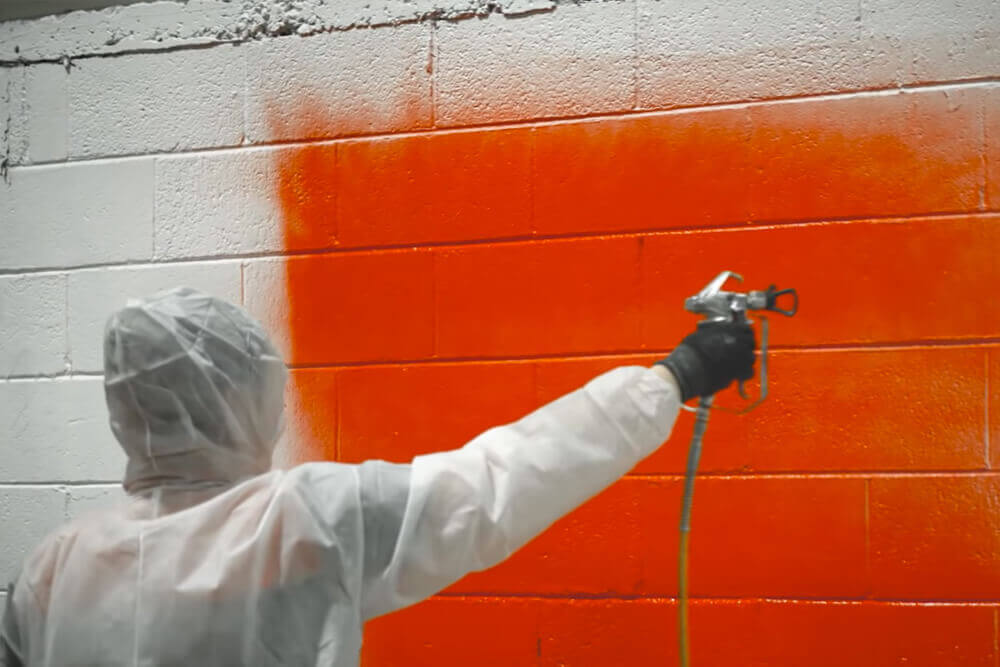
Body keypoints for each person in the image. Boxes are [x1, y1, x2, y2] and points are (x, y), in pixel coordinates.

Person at [0, 286, 755, 666]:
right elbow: (495, 484)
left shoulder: (51, 567)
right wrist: (674, 376)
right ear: (236, 396)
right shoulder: (301, 518)